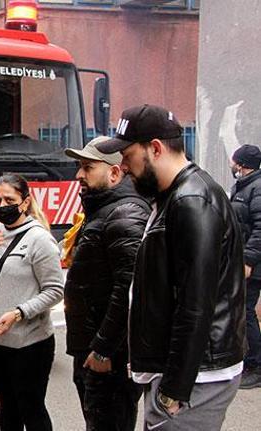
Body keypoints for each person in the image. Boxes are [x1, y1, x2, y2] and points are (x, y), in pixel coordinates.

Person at [96, 104, 246, 430]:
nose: (122, 165)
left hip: (196, 378)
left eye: (127, 154)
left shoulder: (191, 202)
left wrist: (174, 389)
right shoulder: (175, 196)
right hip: (188, 371)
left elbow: (196, 304)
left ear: (155, 148)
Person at [0, 173, 63, 431]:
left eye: (10, 199)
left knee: (31, 409)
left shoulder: (40, 240)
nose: (2, 205)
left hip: (30, 343)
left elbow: (55, 290)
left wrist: (19, 313)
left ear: (25, 202)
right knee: (6, 407)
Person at [63, 136, 150, 430]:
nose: (79, 175)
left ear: (115, 173)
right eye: (79, 166)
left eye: (87, 167)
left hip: (108, 358)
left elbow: (129, 291)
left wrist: (103, 349)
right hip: (92, 352)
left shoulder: (124, 214)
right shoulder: (102, 210)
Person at [229, 144, 261, 389]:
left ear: (241, 164)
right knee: (243, 309)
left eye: (234, 161)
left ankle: (255, 365)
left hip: (254, 263)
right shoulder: (243, 187)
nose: (232, 165)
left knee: (246, 310)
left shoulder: (256, 188)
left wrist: (248, 260)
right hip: (245, 259)